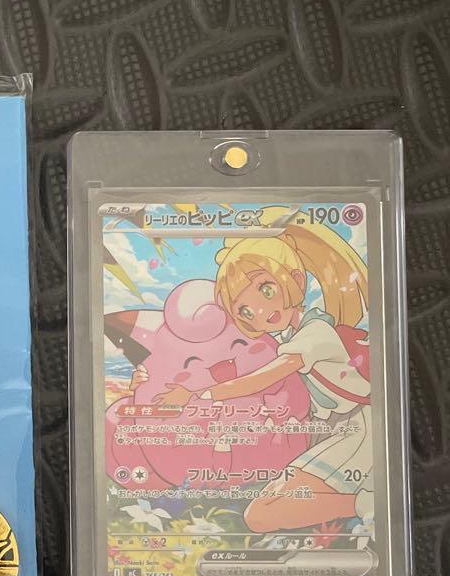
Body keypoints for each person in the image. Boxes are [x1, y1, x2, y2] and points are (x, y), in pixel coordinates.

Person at [156, 209, 372, 534]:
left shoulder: (315, 333)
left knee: (261, 515)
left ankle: (368, 504)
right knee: (265, 505)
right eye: (244, 310)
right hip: (325, 431)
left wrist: (199, 395)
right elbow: (238, 368)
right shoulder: (286, 337)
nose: (259, 311)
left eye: (266, 290)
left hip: (356, 431)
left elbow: (266, 377)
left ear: (296, 280)